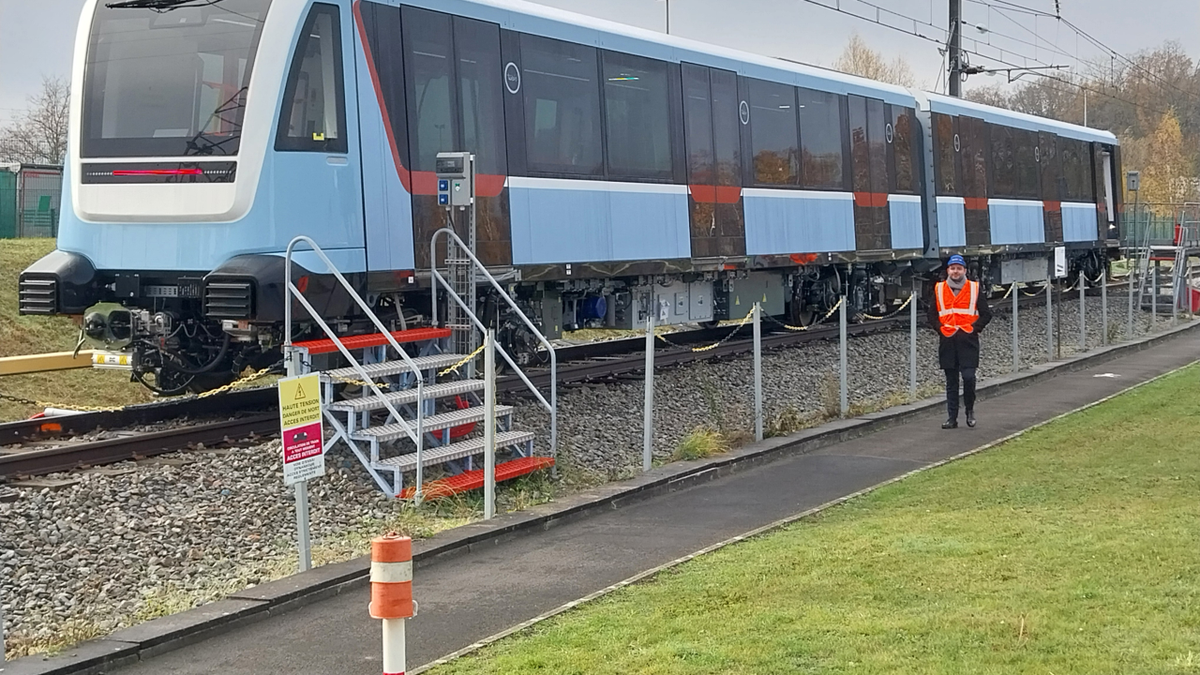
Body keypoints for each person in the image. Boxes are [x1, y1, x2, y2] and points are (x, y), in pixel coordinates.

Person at [927, 254, 992, 429]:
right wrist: (940, 329)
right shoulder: (939, 289)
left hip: (968, 342)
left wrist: (974, 329)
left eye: (959, 268)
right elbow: (932, 315)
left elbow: (986, 314)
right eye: (952, 268)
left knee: (969, 378)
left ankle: (969, 411)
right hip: (948, 342)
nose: (955, 271)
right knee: (951, 382)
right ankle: (952, 418)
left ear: (964, 270)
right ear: (948, 270)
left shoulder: (974, 288)